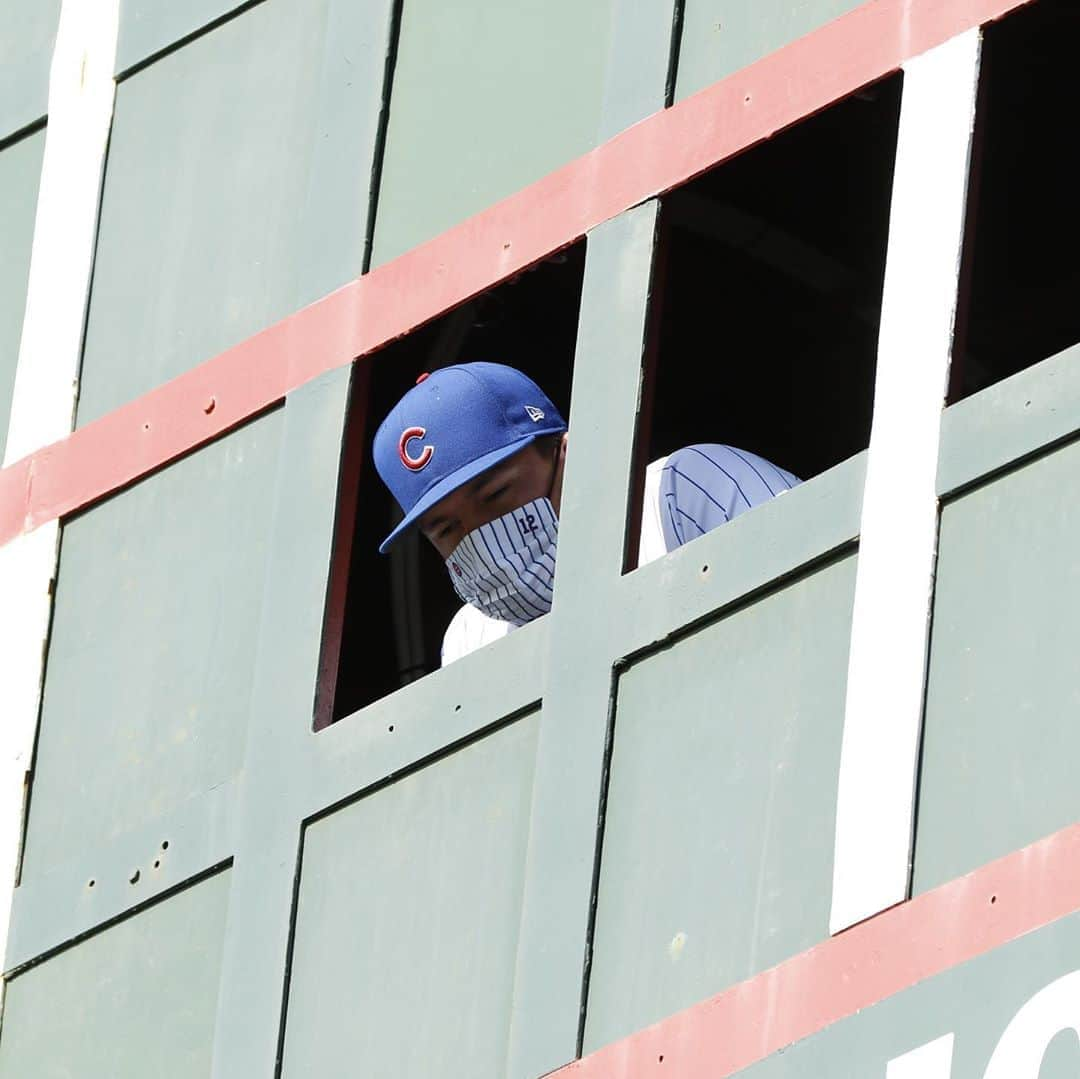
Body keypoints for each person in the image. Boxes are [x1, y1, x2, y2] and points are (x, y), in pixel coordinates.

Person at [373, 362, 798, 664]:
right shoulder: (471, 638)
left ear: (565, 454)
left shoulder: (679, 491)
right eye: (448, 530)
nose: (482, 533)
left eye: (496, 494)